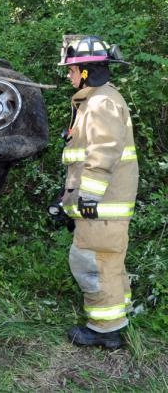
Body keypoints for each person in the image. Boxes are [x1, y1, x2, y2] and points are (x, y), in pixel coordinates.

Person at [57, 35, 138, 349]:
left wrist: (87, 197)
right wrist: (68, 199)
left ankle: (104, 329)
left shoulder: (101, 103)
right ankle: (117, 317)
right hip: (104, 204)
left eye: (72, 69)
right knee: (109, 263)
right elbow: (82, 161)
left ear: (86, 70)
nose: (69, 75)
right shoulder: (98, 99)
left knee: (91, 263)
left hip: (102, 206)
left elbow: (103, 152)